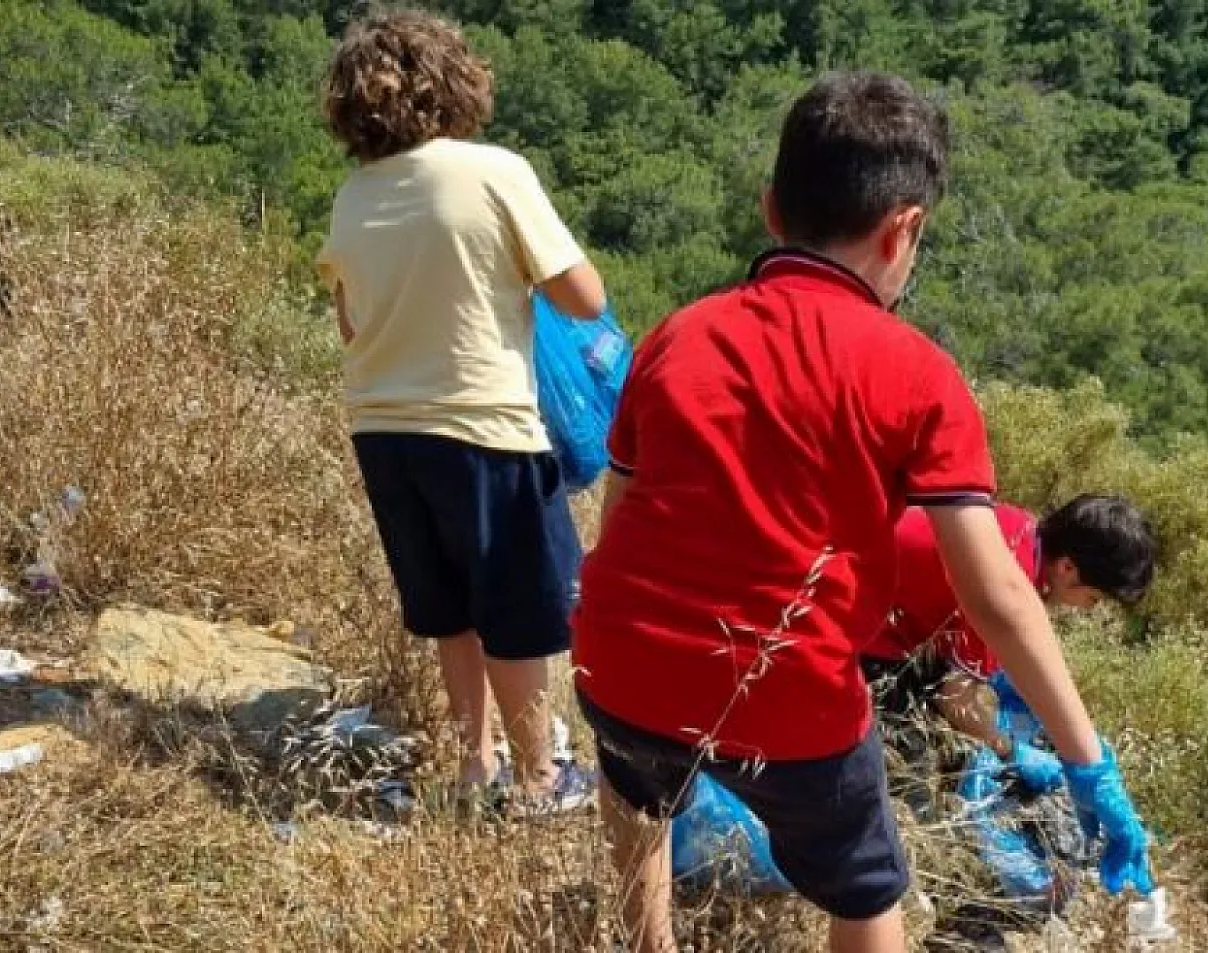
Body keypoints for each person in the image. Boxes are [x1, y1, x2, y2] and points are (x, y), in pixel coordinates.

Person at [572, 71, 1153, 953]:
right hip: (789, 695)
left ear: (772, 209)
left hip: (616, 662)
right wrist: (1085, 761)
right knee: (868, 886)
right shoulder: (920, 374)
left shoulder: (677, 334)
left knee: (639, 798)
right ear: (904, 229)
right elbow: (995, 588)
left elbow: (617, 525)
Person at [316, 10, 606, 808]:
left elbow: (350, 321)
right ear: (452, 82)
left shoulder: (352, 196)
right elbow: (584, 298)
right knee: (516, 611)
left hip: (383, 430)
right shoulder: (494, 172)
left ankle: (475, 769)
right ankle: (542, 778)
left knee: (450, 610)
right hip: (483, 426)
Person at [862, 495, 1156, 793]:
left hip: (871, 585)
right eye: (1093, 598)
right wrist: (1010, 752)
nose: (1090, 608)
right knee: (914, 781)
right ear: (1067, 568)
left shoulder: (1021, 528)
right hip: (860, 626)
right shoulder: (1005, 592)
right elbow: (954, 699)